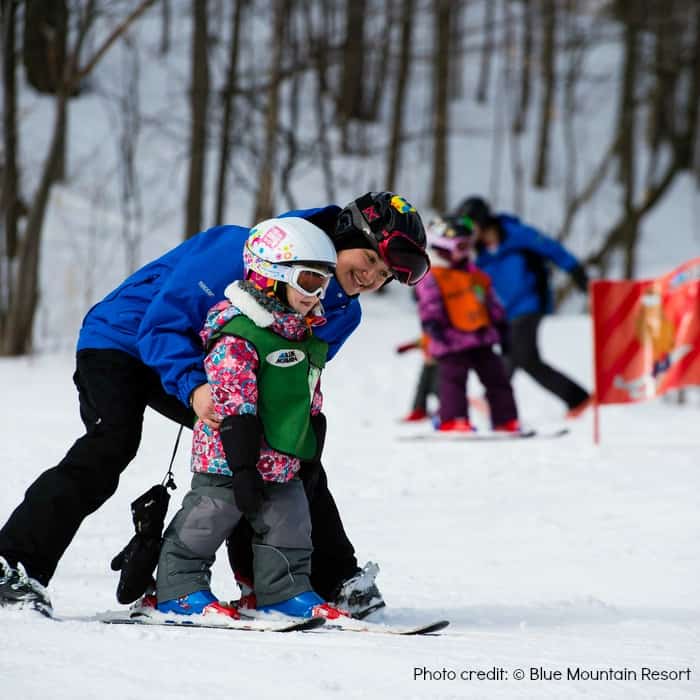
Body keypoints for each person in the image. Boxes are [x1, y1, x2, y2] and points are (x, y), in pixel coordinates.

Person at [0, 191, 430, 618]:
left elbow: (288, 384)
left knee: (282, 450)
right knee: (111, 442)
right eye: (370, 260)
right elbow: (162, 323)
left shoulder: (342, 314)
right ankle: (14, 565)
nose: (372, 278)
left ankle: (312, 581)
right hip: (124, 341)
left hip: (218, 369)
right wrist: (193, 387)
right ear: (342, 232)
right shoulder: (241, 250)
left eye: (385, 274)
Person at [155, 217, 346, 621]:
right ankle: (179, 588)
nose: (317, 295)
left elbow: (308, 398)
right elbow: (234, 402)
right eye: (309, 282)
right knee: (210, 516)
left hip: (281, 458)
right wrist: (242, 467)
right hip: (229, 456)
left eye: (324, 285)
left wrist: (309, 453)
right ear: (270, 276)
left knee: (291, 522)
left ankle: (284, 591)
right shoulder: (239, 334)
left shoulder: (304, 337)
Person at [454, 196, 592, 417]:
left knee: (523, 354)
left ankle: (576, 398)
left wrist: (578, 274)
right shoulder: (478, 254)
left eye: (469, 225)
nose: (467, 232)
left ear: (482, 220)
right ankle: (495, 399)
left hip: (530, 302)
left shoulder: (515, 233)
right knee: (515, 355)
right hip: (506, 311)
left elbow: (552, 248)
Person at [415, 217, 520, 432]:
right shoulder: (433, 275)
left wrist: (501, 325)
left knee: (497, 378)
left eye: (469, 246)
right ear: (442, 246)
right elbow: (429, 303)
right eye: (461, 246)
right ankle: (453, 419)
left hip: (481, 337)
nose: (466, 252)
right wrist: (432, 324)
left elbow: (490, 302)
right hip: (450, 340)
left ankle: (505, 419)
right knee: (453, 381)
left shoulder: (474, 274)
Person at [396, 332, 439, 422]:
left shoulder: (439, 331)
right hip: (428, 363)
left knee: (438, 388)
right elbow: (421, 342)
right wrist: (407, 347)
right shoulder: (428, 332)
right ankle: (419, 409)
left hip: (441, 363)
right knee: (422, 387)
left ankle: (446, 409)